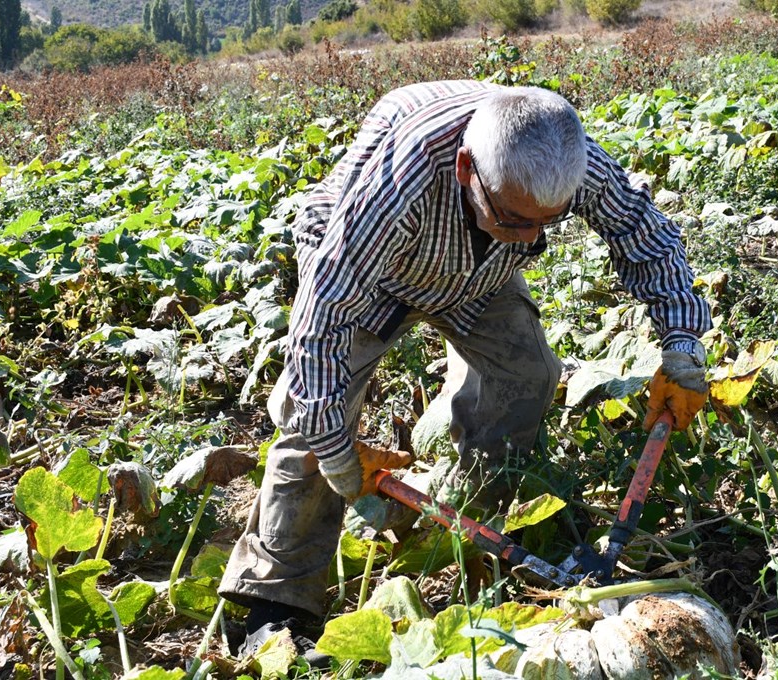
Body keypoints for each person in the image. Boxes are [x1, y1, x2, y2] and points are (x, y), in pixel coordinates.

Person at [218, 79, 712, 659]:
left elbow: (643, 233)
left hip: (477, 275)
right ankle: (274, 604)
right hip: (371, 274)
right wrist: (339, 455)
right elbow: (324, 321)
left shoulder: (566, 164)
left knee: (526, 375)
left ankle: (485, 523)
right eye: (515, 218)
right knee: (317, 414)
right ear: (465, 168)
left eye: (545, 223)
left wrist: (683, 349)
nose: (532, 239)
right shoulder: (396, 186)